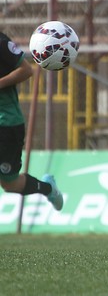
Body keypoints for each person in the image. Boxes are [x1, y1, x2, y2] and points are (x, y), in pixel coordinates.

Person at [0, 31, 64, 211]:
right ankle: (47, 188)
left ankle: (48, 188)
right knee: (9, 185)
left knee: (10, 183)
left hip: (6, 122)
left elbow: (26, 70)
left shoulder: (1, 43)